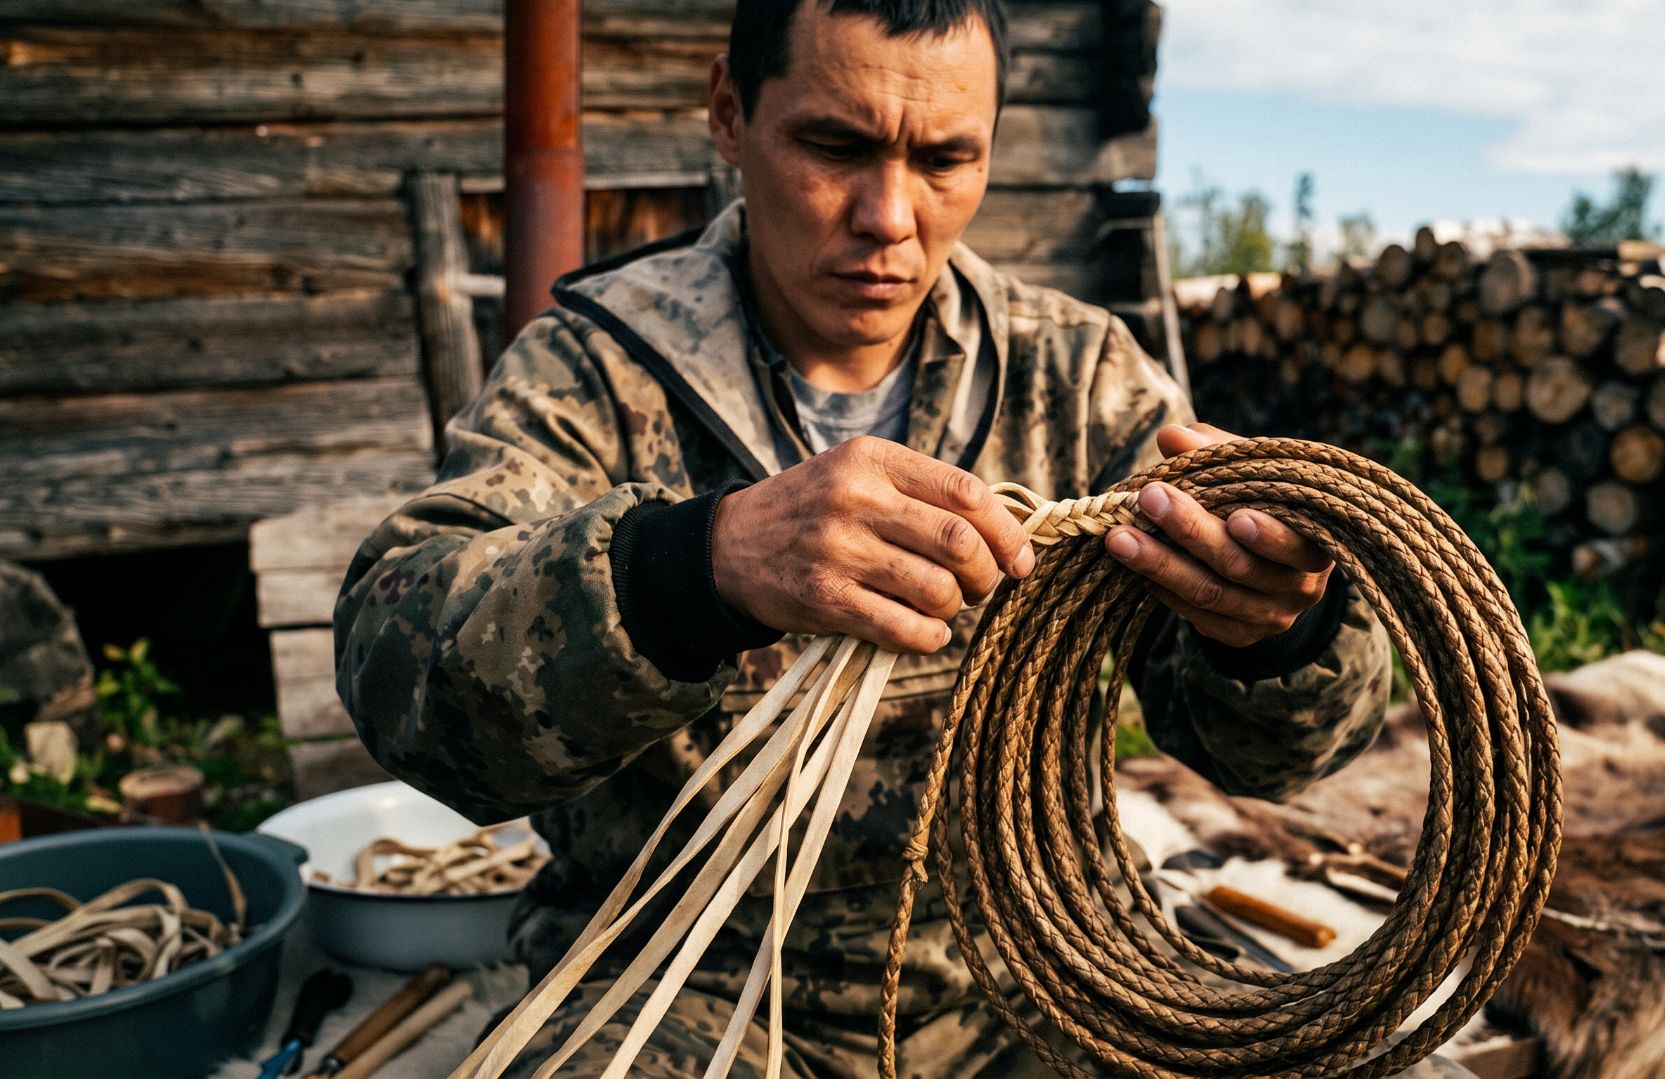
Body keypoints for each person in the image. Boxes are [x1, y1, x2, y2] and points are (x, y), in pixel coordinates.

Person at [334, 1, 1415, 1074]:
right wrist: (700, 565)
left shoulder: (1077, 377)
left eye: (947, 158)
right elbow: (403, 670)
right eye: (835, 146)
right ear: (729, 112)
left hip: (1051, 968)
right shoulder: (597, 368)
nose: (890, 215)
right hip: (686, 977)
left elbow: (1282, 752)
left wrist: (1278, 629)